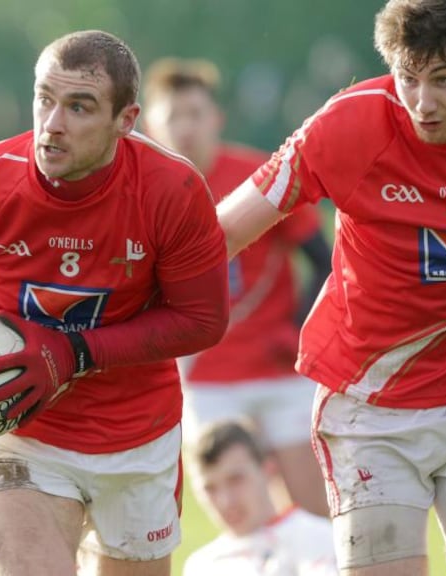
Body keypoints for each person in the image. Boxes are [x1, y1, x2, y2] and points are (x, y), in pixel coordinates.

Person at [216, 1, 446, 574]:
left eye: (442, 79)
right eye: (407, 78)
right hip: (369, 407)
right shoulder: (346, 124)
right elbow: (220, 235)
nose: (422, 102)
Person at [0, 30, 229, 576]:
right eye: (44, 98)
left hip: (136, 435)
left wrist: (74, 353)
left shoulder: (173, 191)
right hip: (16, 433)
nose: (52, 123)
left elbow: (202, 320)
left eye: (79, 107)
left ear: (126, 119)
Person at [142, 57, 332, 518]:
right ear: (150, 126)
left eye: (195, 114)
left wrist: (297, 329)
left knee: (312, 511)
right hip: (206, 378)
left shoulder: (259, 175)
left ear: (216, 119)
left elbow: (323, 260)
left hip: (278, 369)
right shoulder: (143, 190)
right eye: (173, 116)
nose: (185, 127)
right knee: (239, 511)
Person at [183, 420, 336, 576]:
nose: (226, 501)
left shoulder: (315, 536)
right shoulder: (200, 565)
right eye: (210, 489)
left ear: (268, 469)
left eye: (236, 480)